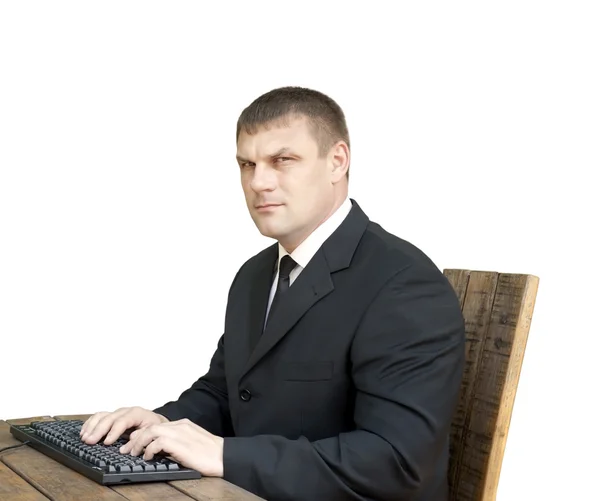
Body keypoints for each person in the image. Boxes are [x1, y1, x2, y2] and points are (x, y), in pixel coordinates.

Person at [80, 86, 466, 500]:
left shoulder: (403, 284)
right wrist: (158, 424)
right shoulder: (255, 274)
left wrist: (228, 456)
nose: (258, 182)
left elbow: (396, 461)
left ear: (337, 162)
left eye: (282, 160)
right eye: (247, 164)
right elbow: (226, 393)